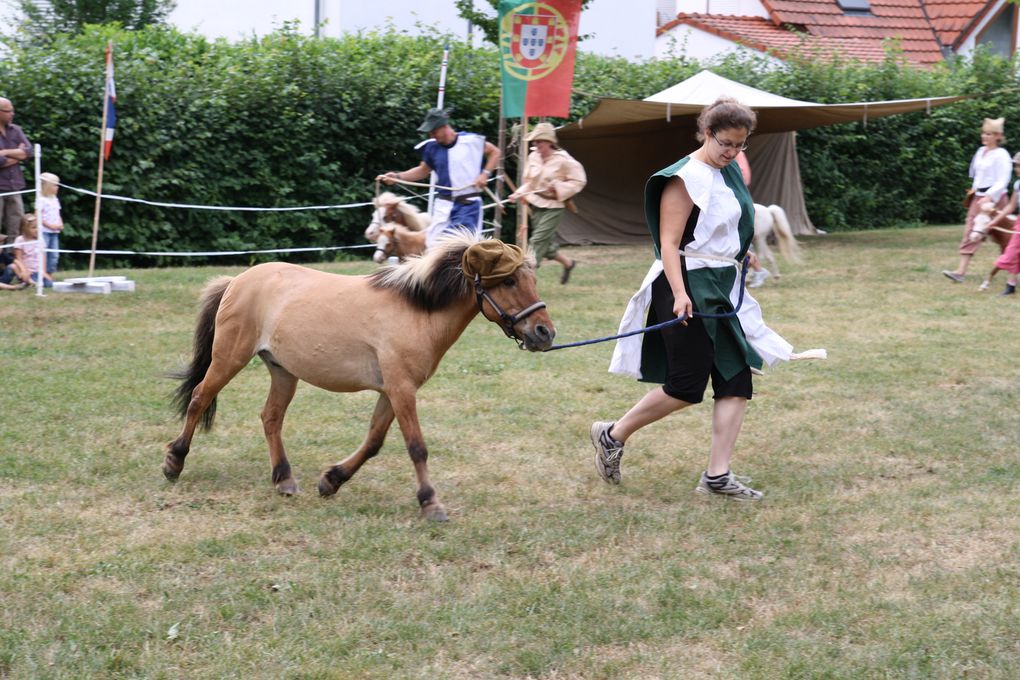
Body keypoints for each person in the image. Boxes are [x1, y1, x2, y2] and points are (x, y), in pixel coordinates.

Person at [590, 97, 794, 501]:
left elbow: (727, 223)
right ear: (706, 133)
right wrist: (680, 293)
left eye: (740, 145)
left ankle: (717, 476)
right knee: (685, 386)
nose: (732, 153)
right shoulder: (684, 177)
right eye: (726, 144)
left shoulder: (730, 171)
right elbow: (667, 243)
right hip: (682, 284)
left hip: (721, 285)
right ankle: (612, 435)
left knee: (736, 379)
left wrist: (738, 251)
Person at [377, 107, 500, 248]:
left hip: (468, 204)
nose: (432, 135)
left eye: (434, 131)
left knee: (461, 246)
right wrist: (398, 176)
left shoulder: (471, 141)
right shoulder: (431, 148)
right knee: (433, 245)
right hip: (444, 205)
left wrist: (485, 174)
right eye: (430, 132)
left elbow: (495, 152)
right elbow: (423, 170)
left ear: (444, 126)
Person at [508, 122, 586, 284]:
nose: (536, 144)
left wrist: (558, 186)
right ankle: (568, 263)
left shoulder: (564, 160)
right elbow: (530, 182)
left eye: (540, 141)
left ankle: (526, 280)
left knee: (537, 241)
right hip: (537, 203)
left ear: (550, 142)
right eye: (535, 141)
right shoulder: (533, 156)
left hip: (554, 207)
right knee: (547, 245)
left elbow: (579, 181)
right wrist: (518, 193)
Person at [943, 117, 1012, 283]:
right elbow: (975, 174)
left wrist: (990, 195)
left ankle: (1012, 269)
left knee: (1004, 237)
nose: (984, 136)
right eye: (983, 133)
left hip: (996, 198)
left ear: (997, 136)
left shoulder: (1002, 155)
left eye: (988, 134)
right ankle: (960, 271)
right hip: (978, 197)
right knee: (971, 230)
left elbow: (1003, 180)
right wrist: (974, 193)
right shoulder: (980, 152)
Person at [983, 152, 1020, 296]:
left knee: (1012, 252)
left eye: (1019, 165)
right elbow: (1010, 207)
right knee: (1013, 252)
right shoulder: (1017, 185)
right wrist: (993, 222)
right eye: (1016, 165)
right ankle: (1010, 286)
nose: (1016, 168)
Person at [0, 97, 32, 245]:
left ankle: (12, 262)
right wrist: (18, 154)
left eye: (12, 110)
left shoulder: (16, 130)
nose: (12, 114)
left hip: (15, 187)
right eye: (8, 111)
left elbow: (29, 152)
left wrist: (5, 152)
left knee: (17, 226)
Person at [12, 213, 52, 287]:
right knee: (14, 267)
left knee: (49, 284)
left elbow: (43, 257)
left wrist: (43, 272)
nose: (36, 230)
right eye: (33, 228)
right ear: (24, 228)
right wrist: (25, 271)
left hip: (38, 271)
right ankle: (27, 281)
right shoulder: (20, 240)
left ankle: (30, 283)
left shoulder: (40, 240)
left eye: (37, 227)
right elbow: (18, 258)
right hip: (26, 271)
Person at [37, 172, 63, 274]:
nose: (57, 187)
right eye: (55, 185)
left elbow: (58, 213)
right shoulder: (41, 200)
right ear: (47, 186)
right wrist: (50, 225)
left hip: (55, 232)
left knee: (54, 255)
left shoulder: (55, 199)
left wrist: (60, 223)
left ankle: (49, 273)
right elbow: (38, 216)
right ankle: (41, 274)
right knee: (43, 253)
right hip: (44, 232)